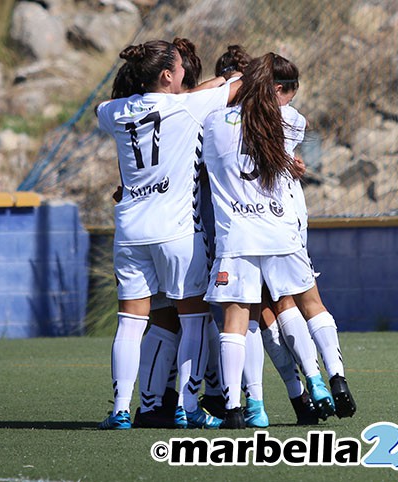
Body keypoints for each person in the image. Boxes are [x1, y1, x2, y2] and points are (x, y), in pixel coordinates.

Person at [203, 52, 355, 429]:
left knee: (237, 323)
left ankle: (236, 408)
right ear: (277, 89)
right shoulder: (291, 121)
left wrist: (227, 84)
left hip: (237, 238)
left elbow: (198, 103)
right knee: (310, 303)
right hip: (280, 233)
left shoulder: (212, 122)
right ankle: (334, 376)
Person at [95, 39, 240, 430]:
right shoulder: (189, 107)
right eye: (177, 70)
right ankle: (189, 408)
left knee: (129, 322)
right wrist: (221, 81)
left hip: (129, 232)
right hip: (176, 232)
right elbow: (238, 83)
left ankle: (120, 410)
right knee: (193, 320)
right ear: (167, 75)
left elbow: (107, 110)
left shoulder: (113, 112)